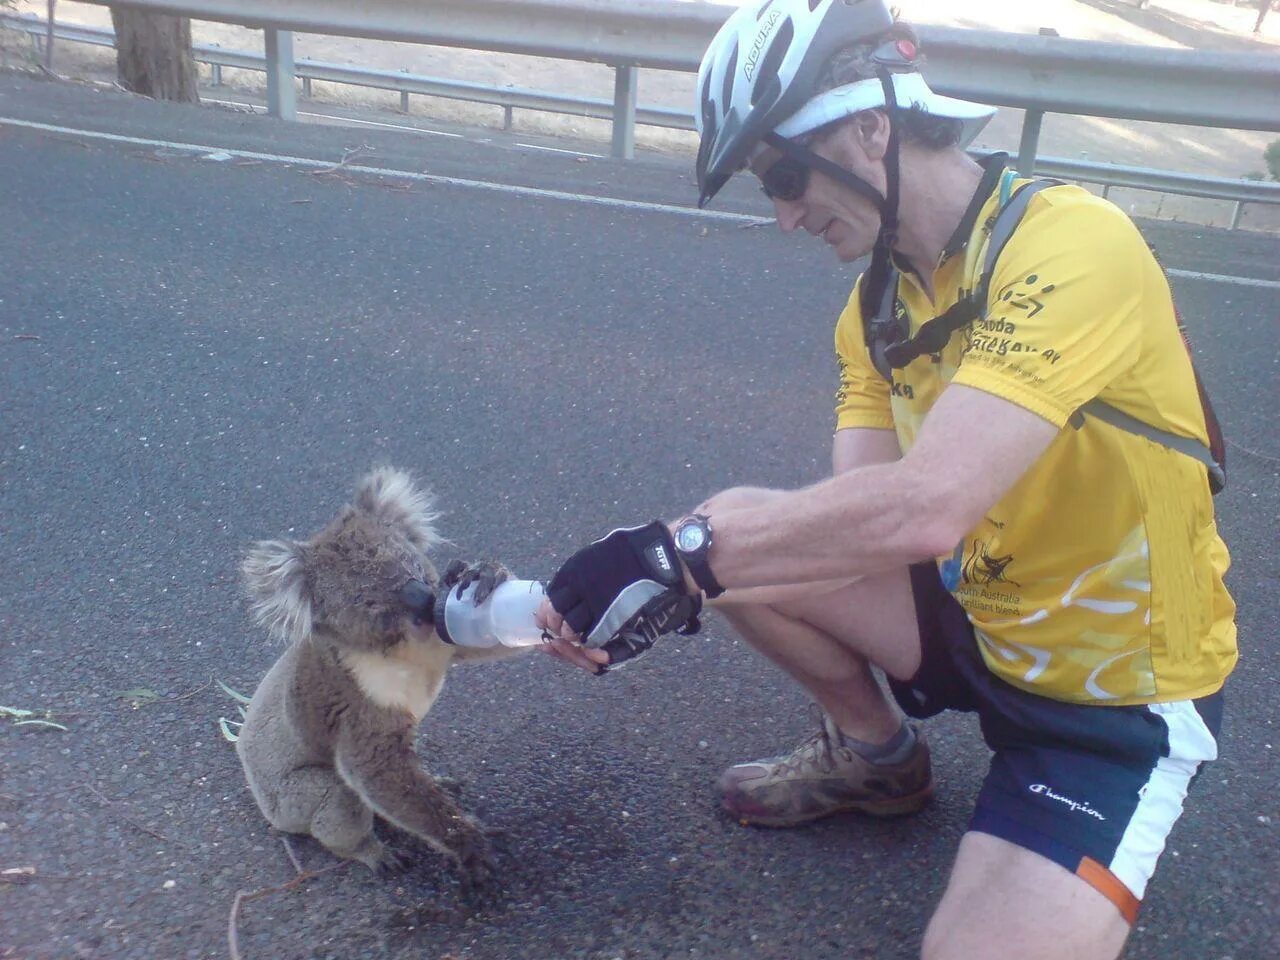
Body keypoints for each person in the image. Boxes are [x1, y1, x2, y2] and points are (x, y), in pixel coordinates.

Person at [535, 1, 1238, 957]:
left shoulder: (1072, 247)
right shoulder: (877, 306)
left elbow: (927, 508)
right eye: (766, 189)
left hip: (1108, 701)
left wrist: (681, 556)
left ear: (872, 123)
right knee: (739, 528)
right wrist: (683, 558)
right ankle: (877, 760)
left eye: (784, 175)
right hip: (980, 621)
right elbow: (853, 518)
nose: (784, 215)